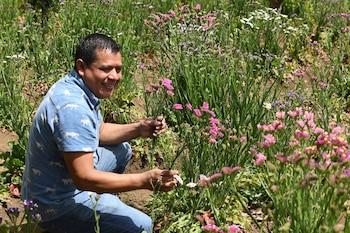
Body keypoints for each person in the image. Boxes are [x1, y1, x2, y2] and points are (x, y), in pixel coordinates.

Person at [21, 33, 179, 233]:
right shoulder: (72, 107)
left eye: (118, 69)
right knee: (142, 226)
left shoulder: (77, 87)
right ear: (81, 67)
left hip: (56, 183)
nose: (114, 76)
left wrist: (139, 128)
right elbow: (83, 178)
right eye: (105, 69)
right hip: (55, 205)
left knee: (122, 150)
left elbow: (99, 131)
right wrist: (143, 180)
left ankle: (102, 209)